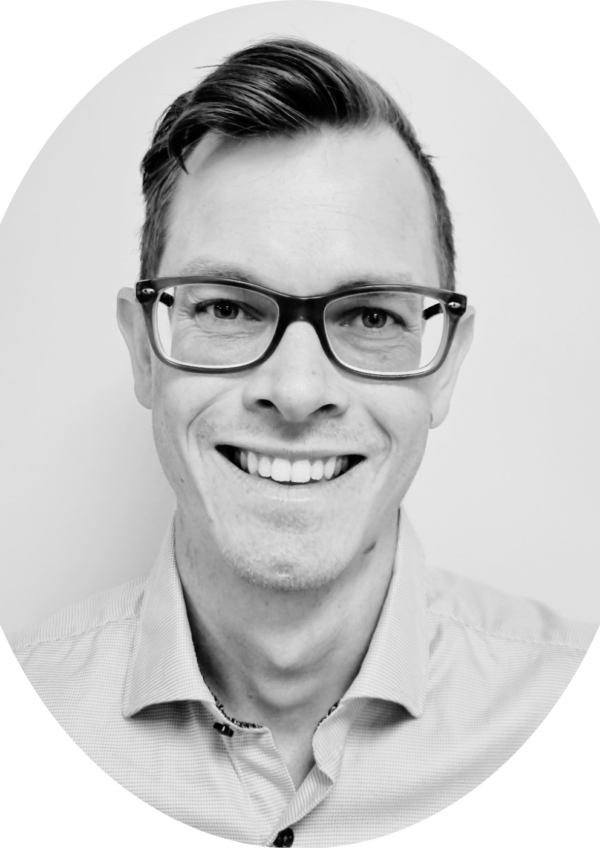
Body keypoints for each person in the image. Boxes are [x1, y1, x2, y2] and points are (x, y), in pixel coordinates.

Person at [9, 37, 597, 845]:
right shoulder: (44, 692)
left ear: (445, 368)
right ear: (144, 350)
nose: (295, 390)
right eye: (226, 307)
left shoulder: (551, 692)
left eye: (370, 316)